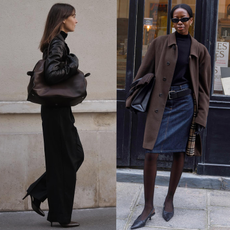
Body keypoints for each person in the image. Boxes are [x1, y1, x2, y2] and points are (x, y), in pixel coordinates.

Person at [129, 4, 211, 229]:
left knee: (179, 152)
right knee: (150, 153)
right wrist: (137, 93)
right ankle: (148, 207)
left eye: (183, 19)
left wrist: (201, 116)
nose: (179, 23)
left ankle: (169, 200)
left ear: (191, 20)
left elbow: (204, 88)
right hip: (161, 104)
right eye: (175, 20)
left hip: (185, 105)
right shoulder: (159, 44)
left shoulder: (200, 50)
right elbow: (142, 72)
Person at [22, 3, 84, 227]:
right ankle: (60, 216)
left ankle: (39, 192)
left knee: (74, 155)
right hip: (56, 110)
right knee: (67, 159)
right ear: (63, 19)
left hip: (57, 109)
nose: (76, 21)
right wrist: (73, 64)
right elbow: (52, 74)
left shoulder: (56, 42)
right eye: (74, 16)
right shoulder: (57, 42)